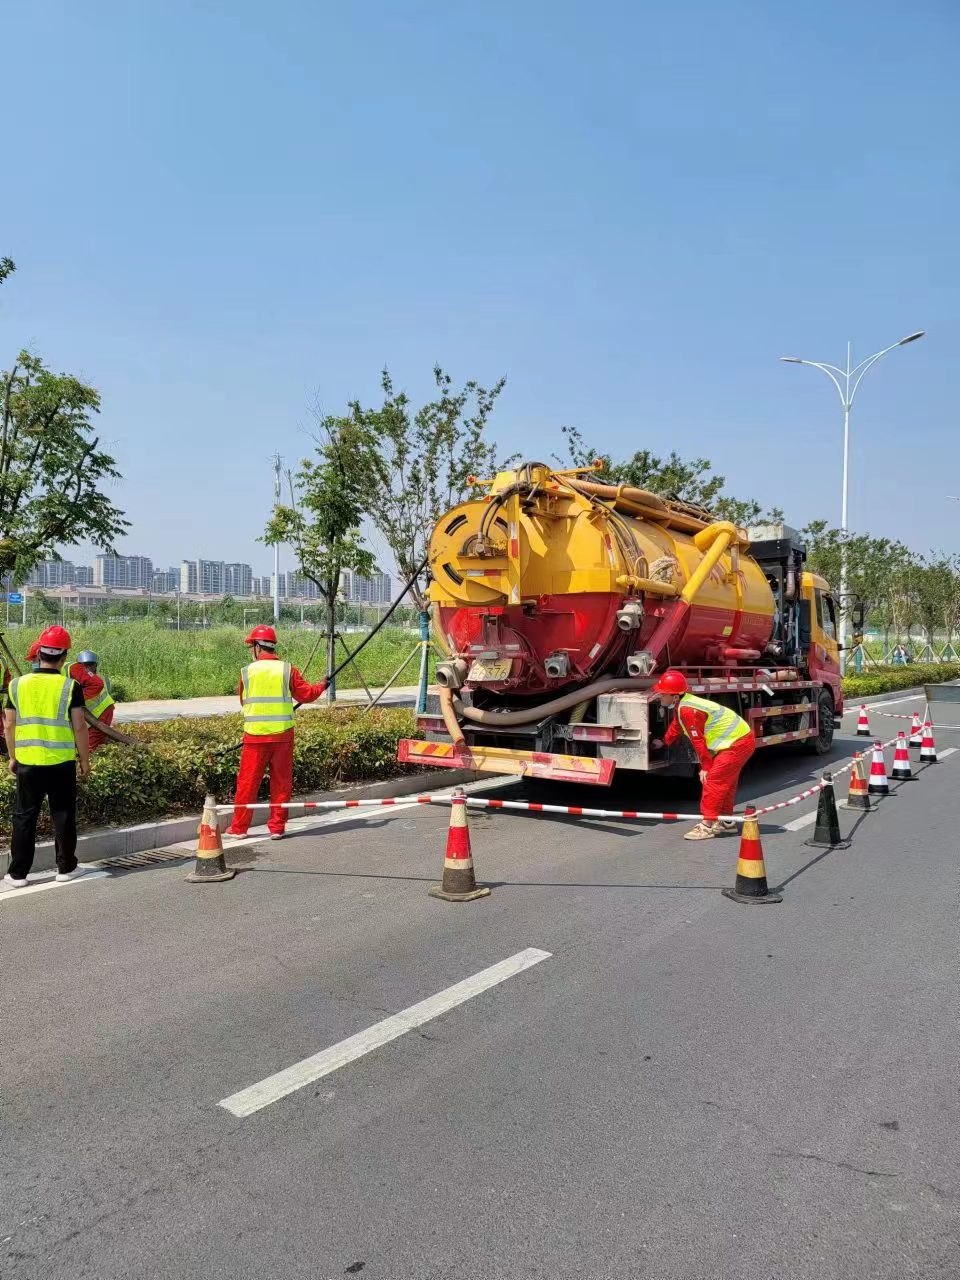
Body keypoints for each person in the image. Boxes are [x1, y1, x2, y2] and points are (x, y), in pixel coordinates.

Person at [2, 626, 91, 887]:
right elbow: (79, 726)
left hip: (27, 762)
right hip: (61, 763)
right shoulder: (69, 686)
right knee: (62, 814)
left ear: (38, 653)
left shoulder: (16, 685)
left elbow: (9, 725)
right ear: (64, 657)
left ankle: (18, 874)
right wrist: (84, 760)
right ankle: (65, 868)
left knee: (24, 816)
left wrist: (12, 756)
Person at [226, 625, 328, 842]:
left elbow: (244, 701)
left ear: (256, 646)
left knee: (247, 783)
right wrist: (322, 686)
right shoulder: (287, 670)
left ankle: (239, 828)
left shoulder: (247, 672)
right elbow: (306, 695)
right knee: (281, 783)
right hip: (282, 736)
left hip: (254, 737)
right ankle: (277, 828)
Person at [651, 668, 755, 841]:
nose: (659, 696)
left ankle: (706, 826)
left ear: (675, 697)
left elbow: (698, 743)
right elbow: (677, 725)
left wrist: (705, 768)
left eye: (663, 694)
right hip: (739, 740)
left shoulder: (688, 710)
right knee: (726, 783)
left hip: (737, 744)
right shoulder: (684, 704)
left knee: (713, 780)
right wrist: (664, 741)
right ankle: (727, 822)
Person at [69, 650, 115, 752]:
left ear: (95, 665)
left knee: (91, 746)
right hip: (90, 716)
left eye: (91, 665)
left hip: (102, 712)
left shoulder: (98, 679)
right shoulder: (81, 676)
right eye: (85, 665)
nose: (88, 668)